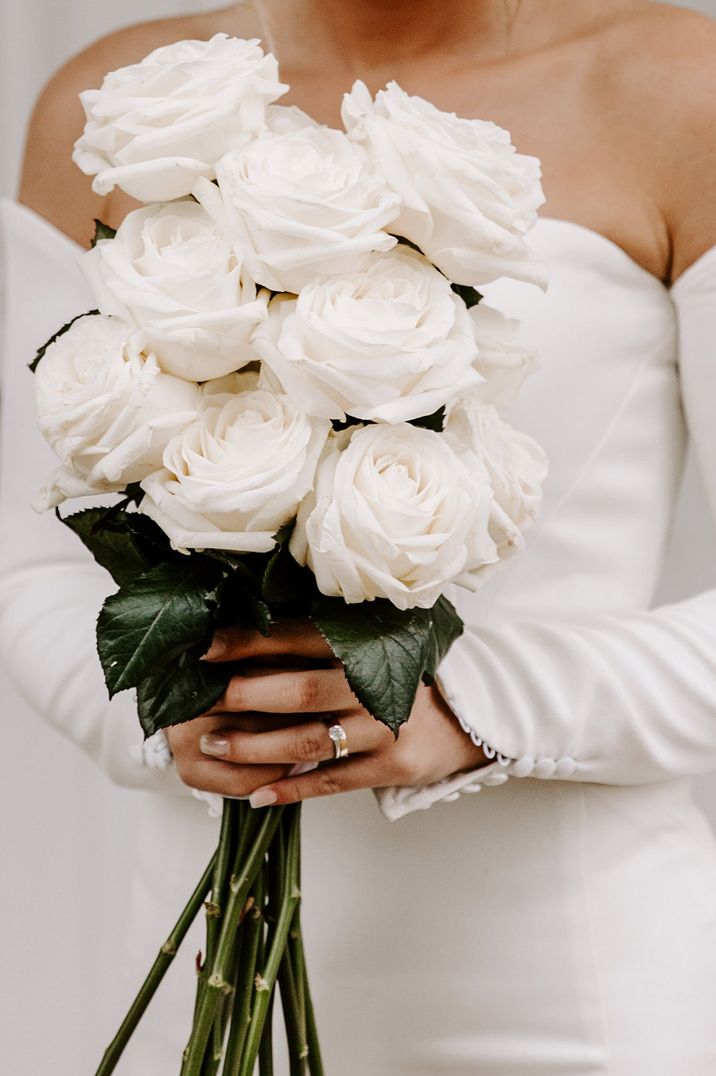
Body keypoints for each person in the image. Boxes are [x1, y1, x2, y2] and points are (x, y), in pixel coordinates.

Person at [4, 1, 716, 1072]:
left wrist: (466, 702)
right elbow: (27, 557)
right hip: (204, 991)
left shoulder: (679, 85)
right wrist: (168, 715)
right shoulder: (122, 102)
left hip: (578, 1009)